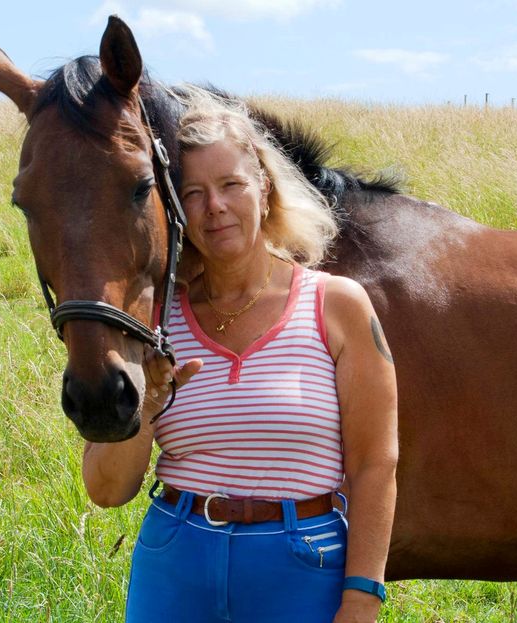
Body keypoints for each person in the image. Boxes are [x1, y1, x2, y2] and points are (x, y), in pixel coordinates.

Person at [81, 92, 398, 623]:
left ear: (265, 187)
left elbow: (375, 464)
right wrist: (148, 407)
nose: (216, 206)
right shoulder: (157, 317)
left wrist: (363, 596)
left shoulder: (336, 304)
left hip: (303, 566)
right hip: (174, 562)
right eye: (194, 192)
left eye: (231, 184)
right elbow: (107, 488)